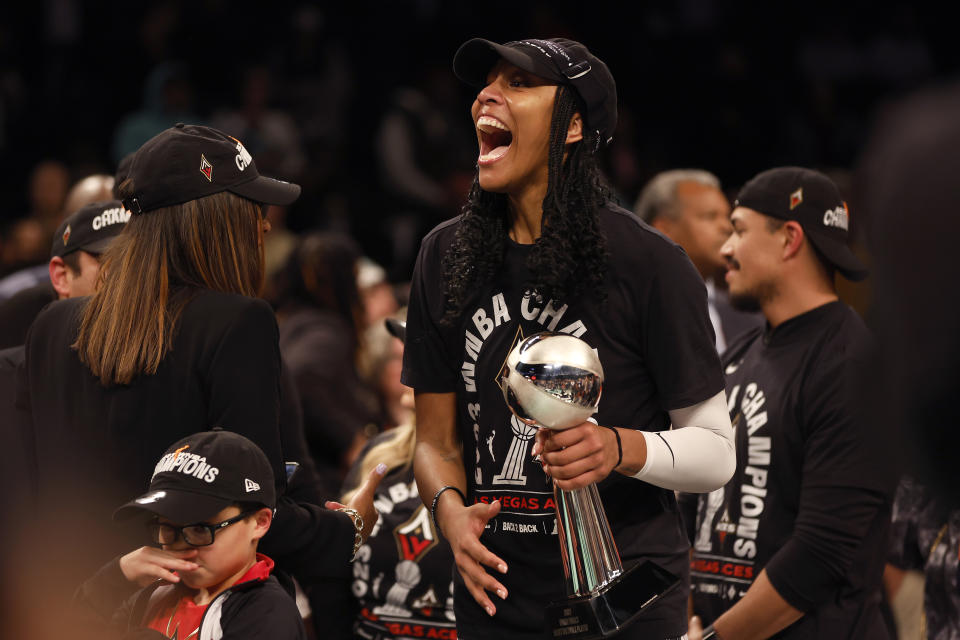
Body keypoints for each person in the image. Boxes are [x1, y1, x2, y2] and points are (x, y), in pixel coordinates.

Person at [402, 37, 735, 640]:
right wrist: (448, 512)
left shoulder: (650, 263)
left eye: (520, 84)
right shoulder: (442, 256)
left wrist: (617, 447)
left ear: (574, 125)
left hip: (626, 597)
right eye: (488, 82)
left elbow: (716, 451)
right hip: (495, 593)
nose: (487, 94)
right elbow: (433, 441)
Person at [15, 124, 379, 633]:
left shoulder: (52, 327)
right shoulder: (236, 324)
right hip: (180, 617)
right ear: (215, 220)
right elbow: (255, 517)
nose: (265, 226)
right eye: (252, 207)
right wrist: (350, 527)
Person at [686, 167, 896, 639]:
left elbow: (821, 553)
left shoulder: (851, 364)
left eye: (738, 230)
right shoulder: (738, 356)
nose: (725, 249)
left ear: (789, 239)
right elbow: (690, 505)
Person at [74, 429, 306, 640]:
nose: (182, 547)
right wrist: (115, 577)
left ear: (259, 522)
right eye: (168, 530)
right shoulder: (154, 594)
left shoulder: (267, 613)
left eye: (199, 529)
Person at [312, 315, 458, 639]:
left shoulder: (499, 470)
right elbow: (335, 573)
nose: (406, 363)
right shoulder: (379, 455)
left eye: (420, 353)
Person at [275, 231, 382, 499]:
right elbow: (301, 378)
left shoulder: (290, 324)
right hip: (323, 482)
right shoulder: (326, 332)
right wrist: (348, 439)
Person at [634, 169, 762, 352]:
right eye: (710, 216)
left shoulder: (751, 322)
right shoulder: (628, 314)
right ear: (662, 230)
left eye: (727, 217)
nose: (726, 227)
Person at [0, 199, 129, 348]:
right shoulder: (15, 320)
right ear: (61, 276)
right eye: (107, 262)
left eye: (134, 261)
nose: (126, 275)